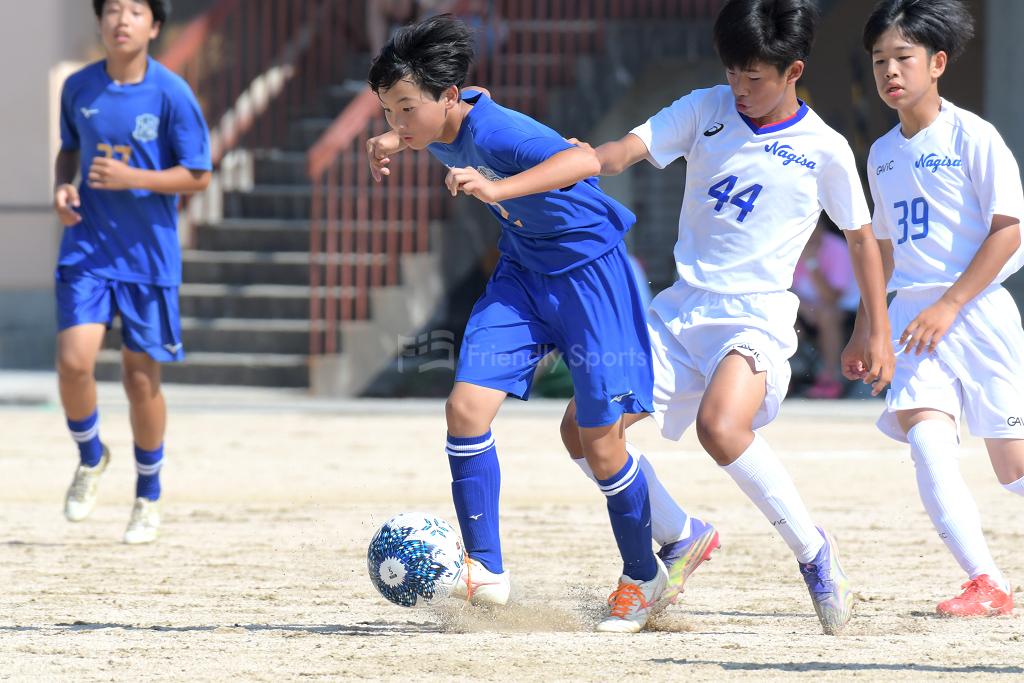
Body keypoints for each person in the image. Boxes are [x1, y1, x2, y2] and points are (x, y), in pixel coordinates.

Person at [559, 0, 895, 635]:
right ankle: (679, 536)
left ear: (793, 71)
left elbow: (861, 239)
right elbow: (618, 154)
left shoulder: (824, 149)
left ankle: (814, 553)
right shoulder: (705, 108)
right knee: (582, 427)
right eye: (732, 71)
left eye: (755, 76)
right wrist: (571, 159)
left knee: (720, 426)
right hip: (681, 309)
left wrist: (873, 330)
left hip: (755, 318)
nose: (740, 87)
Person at [365, 15, 665, 632]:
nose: (397, 121)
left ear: (448, 97)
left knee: (600, 441)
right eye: (388, 111)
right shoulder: (435, 123)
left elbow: (582, 160)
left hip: (590, 276)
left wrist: (498, 190)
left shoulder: (499, 131)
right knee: (465, 409)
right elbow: (432, 123)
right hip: (523, 274)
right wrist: (396, 139)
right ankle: (486, 571)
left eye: (404, 110)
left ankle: (644, 576)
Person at [861, 0, 1024, 617]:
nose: (890, 71)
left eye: (903, 57)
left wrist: (951, 304)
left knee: (1013, 470)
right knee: (927, 442)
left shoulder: (973, 136)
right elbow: (883, 250)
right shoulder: (880, 153)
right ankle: (986, 582)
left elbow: (1010, 230)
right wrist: (867, 327)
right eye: (879, 59)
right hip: (912, 321)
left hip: (977, 314)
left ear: (938, 63)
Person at [54, 0, 212, 544]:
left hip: (148, 257)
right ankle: (91, 455)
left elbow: (198, 175)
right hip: (87, 249)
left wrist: (132, 177)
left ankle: (148, 494)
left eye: (135, 11)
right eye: (113, 9)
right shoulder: (78, 87)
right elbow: (69, 150)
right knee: (73, 363)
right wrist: (63, 187)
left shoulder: (172, 93)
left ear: (155, 25)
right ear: (99, 20)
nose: (122, 19)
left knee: (140, 379)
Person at [793, 216, 860, 398]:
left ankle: (831, 376)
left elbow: (832, 297)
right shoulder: (793, 247)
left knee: (827, 314)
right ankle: (787, 375)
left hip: (842, 311)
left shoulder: (837, 248)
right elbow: (786, 289)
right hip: (806, 310)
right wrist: (803, 307)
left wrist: (811, 263)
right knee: (781, 314)